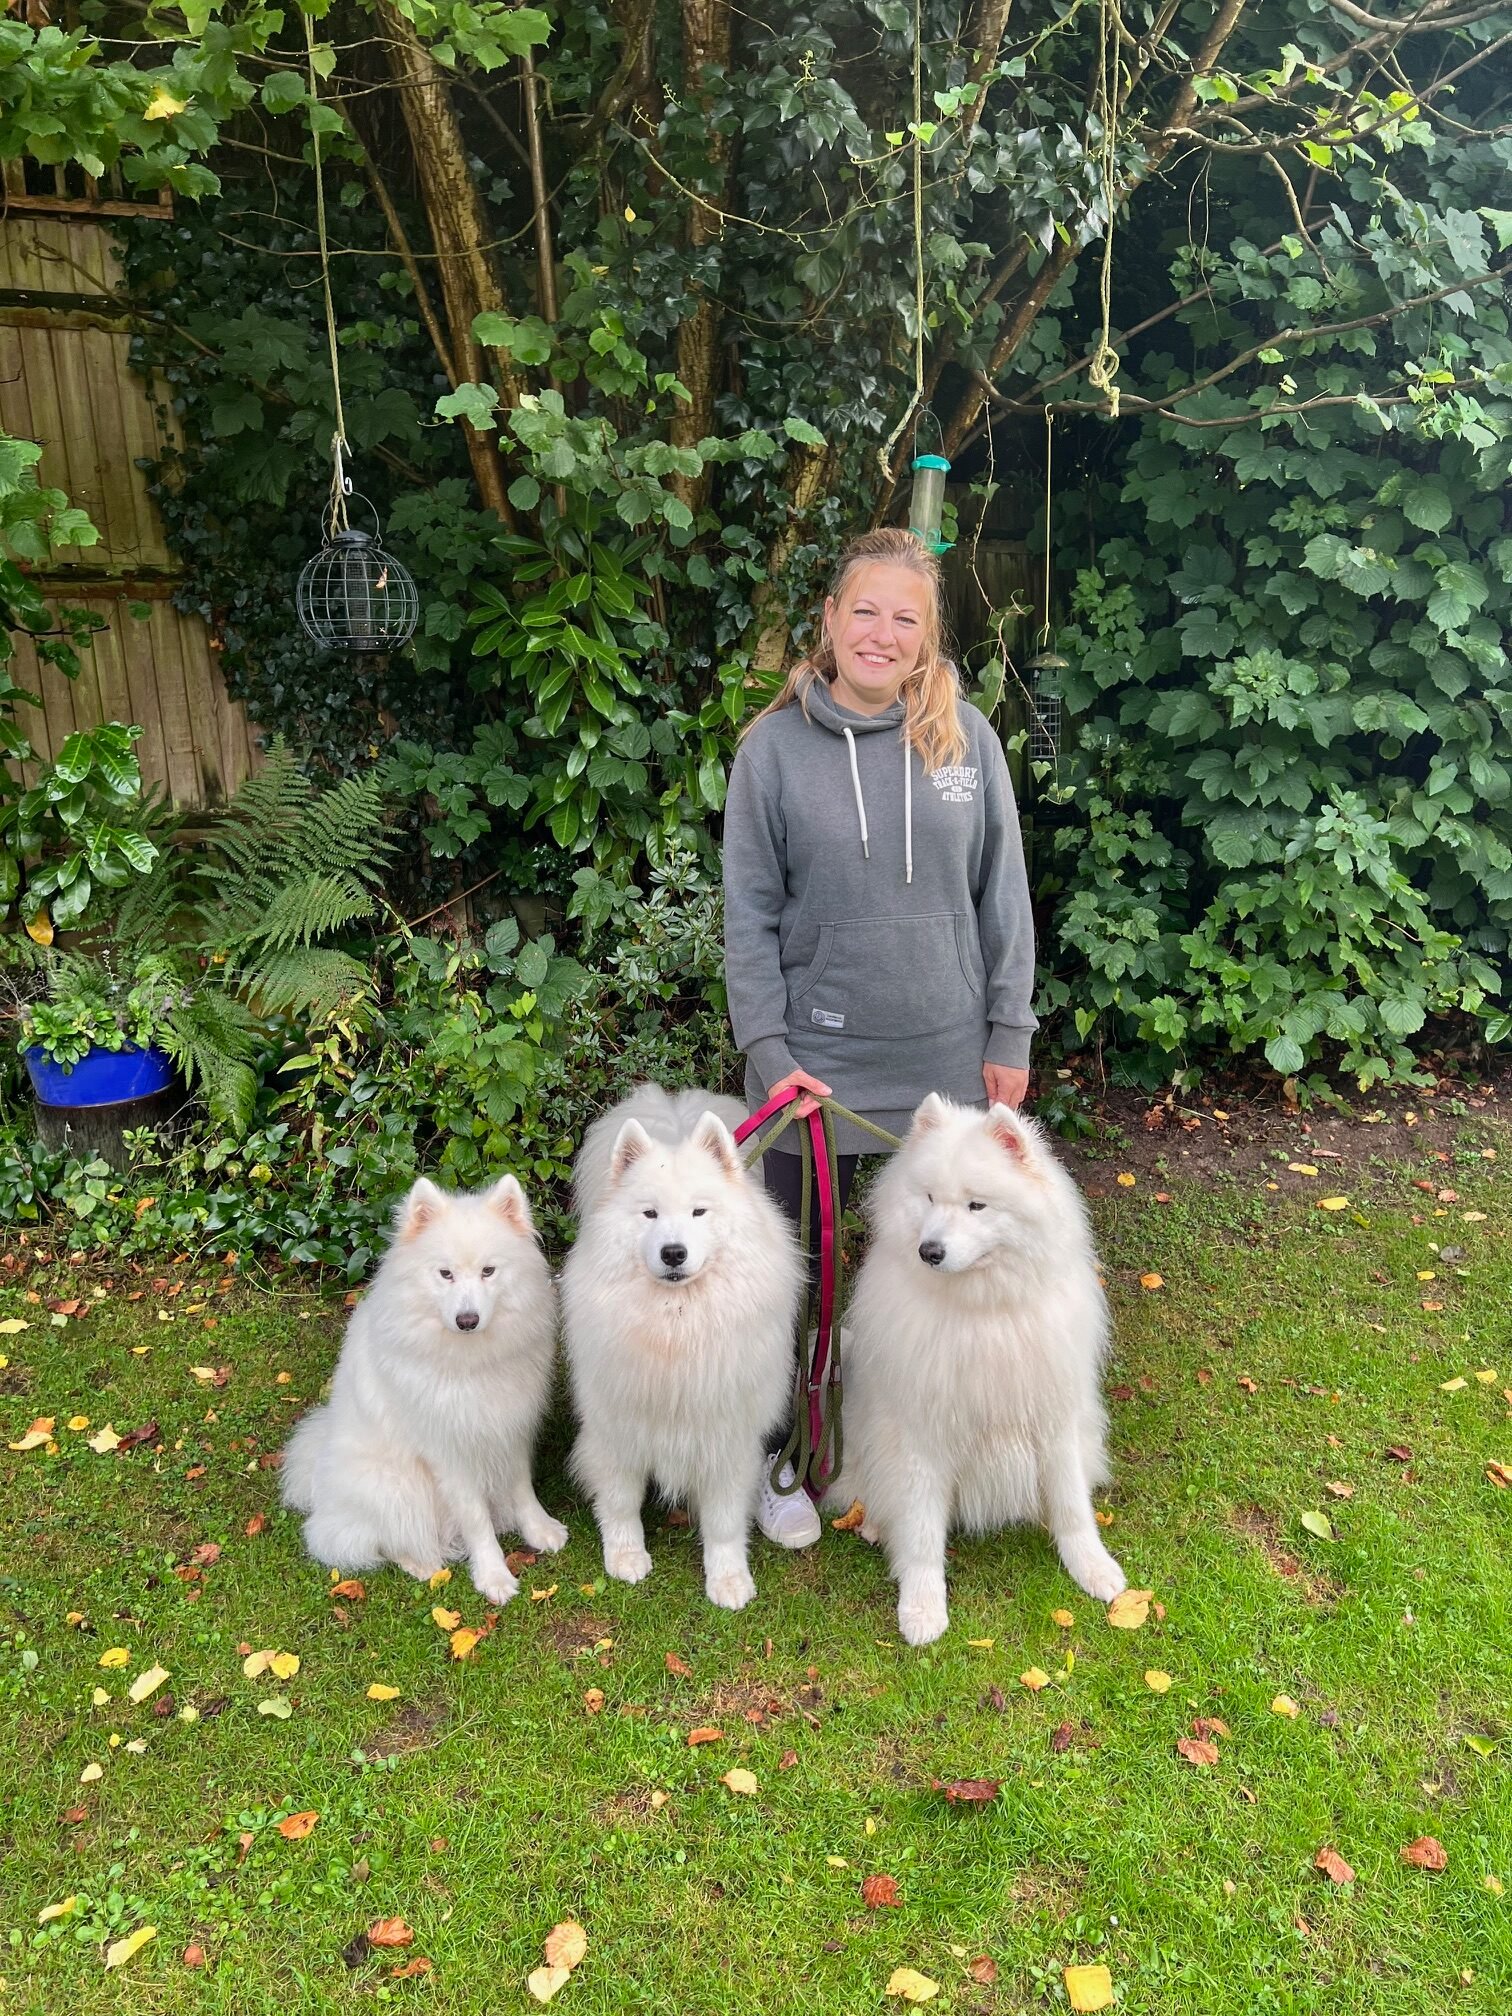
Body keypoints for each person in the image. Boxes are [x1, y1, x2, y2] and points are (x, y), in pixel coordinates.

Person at [722, 526, 1038, 1547]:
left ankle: (912, 1449)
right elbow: (748, 917)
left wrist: (1010, 1028)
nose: (882, 631)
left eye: (906, 617)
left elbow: (1006, 899)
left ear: (927, 638)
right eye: (865, 609)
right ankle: (784, 1457)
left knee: (930, 1283)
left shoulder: (966, 740)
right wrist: (773, 1058)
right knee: (789, 1284)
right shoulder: (771, 752)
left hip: (947, 1072)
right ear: (828, 620)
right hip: (814, 1071)